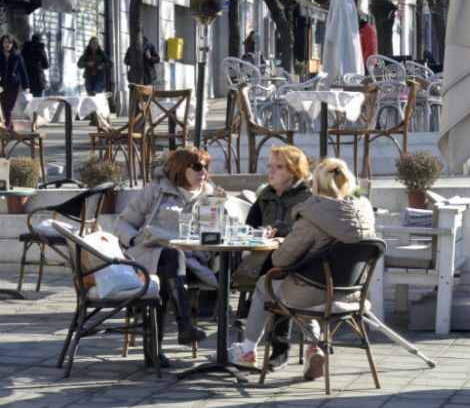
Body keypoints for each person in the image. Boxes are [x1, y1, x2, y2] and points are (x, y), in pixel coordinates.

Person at [228, 157, 375, 381]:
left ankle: (247, 350)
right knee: (305, 286)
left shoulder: (313, 216)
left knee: (267, 284)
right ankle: (315, 347)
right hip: (352, 295)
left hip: (314, 293)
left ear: (317, 185)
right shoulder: (365, 217)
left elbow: (281, 258)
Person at [117, 148, 222, 368]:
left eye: (205, 167)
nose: (203, 172)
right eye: (197, 167)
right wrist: (134, 240)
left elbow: (212, 238)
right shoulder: (155, 190)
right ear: (180, 169)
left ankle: (155, 348)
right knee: (169, 262)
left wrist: (218, 207)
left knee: (170, 264)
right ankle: (184, 326)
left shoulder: (209, 197)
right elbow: (124, 222)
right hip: (147, 256)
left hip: (190, 262)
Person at [242, 145, 314, 371]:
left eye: (278, 166)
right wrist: (262, 232)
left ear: (293, 170)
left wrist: (279, 232)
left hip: (299, 263)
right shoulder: (264, 197)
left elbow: (305, 233)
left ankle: (276, 348)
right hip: (261, 260)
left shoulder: (308, 198)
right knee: (273, 272)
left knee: (277, 276)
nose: (271, 171)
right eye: (269, 166)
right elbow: (249, 229)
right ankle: (254, 341)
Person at [0, 34, 30, 128]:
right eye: (5, 42)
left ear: (12, 44)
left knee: (8, 108)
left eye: (9, 42)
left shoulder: (17, 57)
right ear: (2, 43)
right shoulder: (0, 56)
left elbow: (23, 72)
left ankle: (7, 130)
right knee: (4, 109)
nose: (7, 44)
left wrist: (26, 86)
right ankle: (11, 131)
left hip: (13, 86)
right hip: (1, 86)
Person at [20, 34, 49, 98]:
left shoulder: (25, 49)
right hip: (38, 78)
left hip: (28, 77)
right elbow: (46, 65)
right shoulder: (40, 49)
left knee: (28, 99)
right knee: (38, 99)